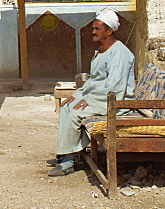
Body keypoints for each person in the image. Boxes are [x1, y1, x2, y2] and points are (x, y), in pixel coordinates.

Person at [49, 9, 135, 176]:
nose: (93, 32)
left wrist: (90, 100)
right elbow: (94, 81)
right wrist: (78, 95)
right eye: (93, 28)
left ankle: (67, 162)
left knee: (74, 113)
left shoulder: (120, 53)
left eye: (98, 29)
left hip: (116, 103)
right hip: (101, 98)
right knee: (67, 107)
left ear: (109, 31)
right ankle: (69, 154)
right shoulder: (102, 51)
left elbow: (115, 87)